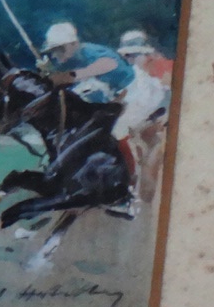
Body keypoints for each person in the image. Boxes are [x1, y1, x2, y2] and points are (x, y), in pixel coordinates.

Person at [39, 21, 154, 215]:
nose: (56, 55)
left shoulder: (94, 54)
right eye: (53, 52)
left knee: (116, 131)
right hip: (114, 98)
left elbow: (104, 66)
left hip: (136, 95)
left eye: (59, 49)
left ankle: (131, 189)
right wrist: (50, 73)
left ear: (74, 44)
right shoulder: (73, 58)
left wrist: (64, 76)